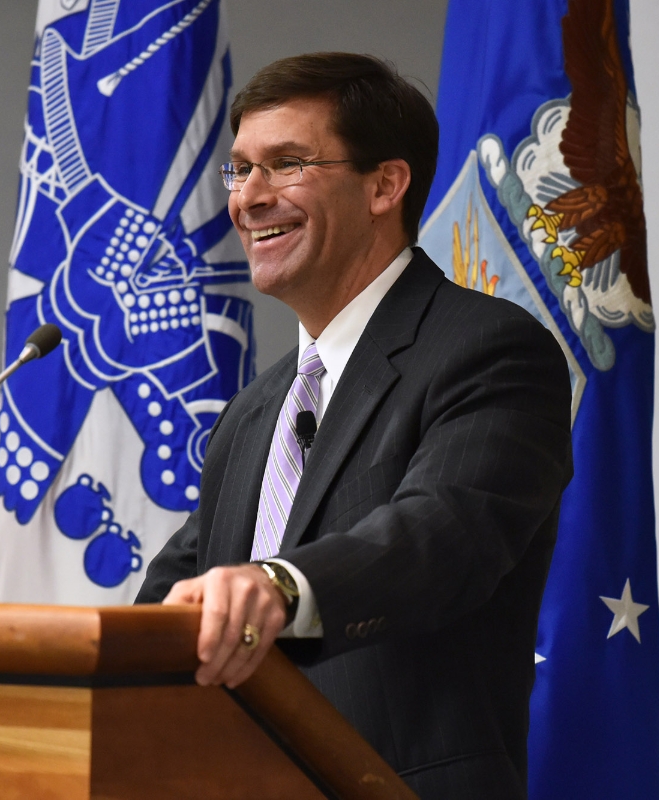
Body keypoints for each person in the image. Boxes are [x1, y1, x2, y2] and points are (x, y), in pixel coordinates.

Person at [136, 52, 573, 798]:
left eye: (285, 165)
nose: (249, 198)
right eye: (239, 171)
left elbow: (445, 535)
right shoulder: (255, 410)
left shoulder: (488, 349)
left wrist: (279, 589)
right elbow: (180, 590)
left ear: (384, 184)